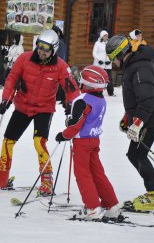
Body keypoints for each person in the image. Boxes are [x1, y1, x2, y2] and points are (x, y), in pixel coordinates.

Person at [0, 29, 80, 196]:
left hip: (44, 109)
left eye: (46, 49)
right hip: (23, 106)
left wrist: (71, 106)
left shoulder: (61, 66)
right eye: (40, 47)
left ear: (54, 50)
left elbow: (72, 89)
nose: (41, 51)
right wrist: (6, 99)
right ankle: (2, 177)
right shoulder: (24, 59)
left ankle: (47, 180)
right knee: (8, 141)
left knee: (38, 142)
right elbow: (12, 79)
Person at [106, 34, 154, 212]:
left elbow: (148, 100)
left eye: (113, 59)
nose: (113, 63)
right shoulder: (134, 66)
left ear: (120, 54)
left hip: (150, 119)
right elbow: (137, 98)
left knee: (137, 155)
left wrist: (137, 123)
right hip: (146, 118)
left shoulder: (140, 68)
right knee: (135, 154)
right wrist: (129, 117)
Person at [55, 65, 122, 220]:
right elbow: (84, 119)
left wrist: (64, 135)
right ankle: (111, 205)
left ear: (88, 83)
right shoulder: (101, 99)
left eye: (82, 80)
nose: (80, 82)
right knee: (97, 173)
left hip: (82, 143)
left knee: (82, 174)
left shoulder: (82, 100)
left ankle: (92, 207)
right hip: (94, 141)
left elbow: (76, 124)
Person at [92, 30, 114, 96]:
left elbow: (113, 53)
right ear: (101, 36)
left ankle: (110, 92)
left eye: (106, 35)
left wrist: (110, 60)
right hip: (99, 64)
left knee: (109, 78)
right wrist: (99, 60)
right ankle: (97, 91)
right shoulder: (97, 43)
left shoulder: (110, 43)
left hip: (108, 65)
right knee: (98, 78)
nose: (106, 37)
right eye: (104, 36)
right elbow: (94, 53)